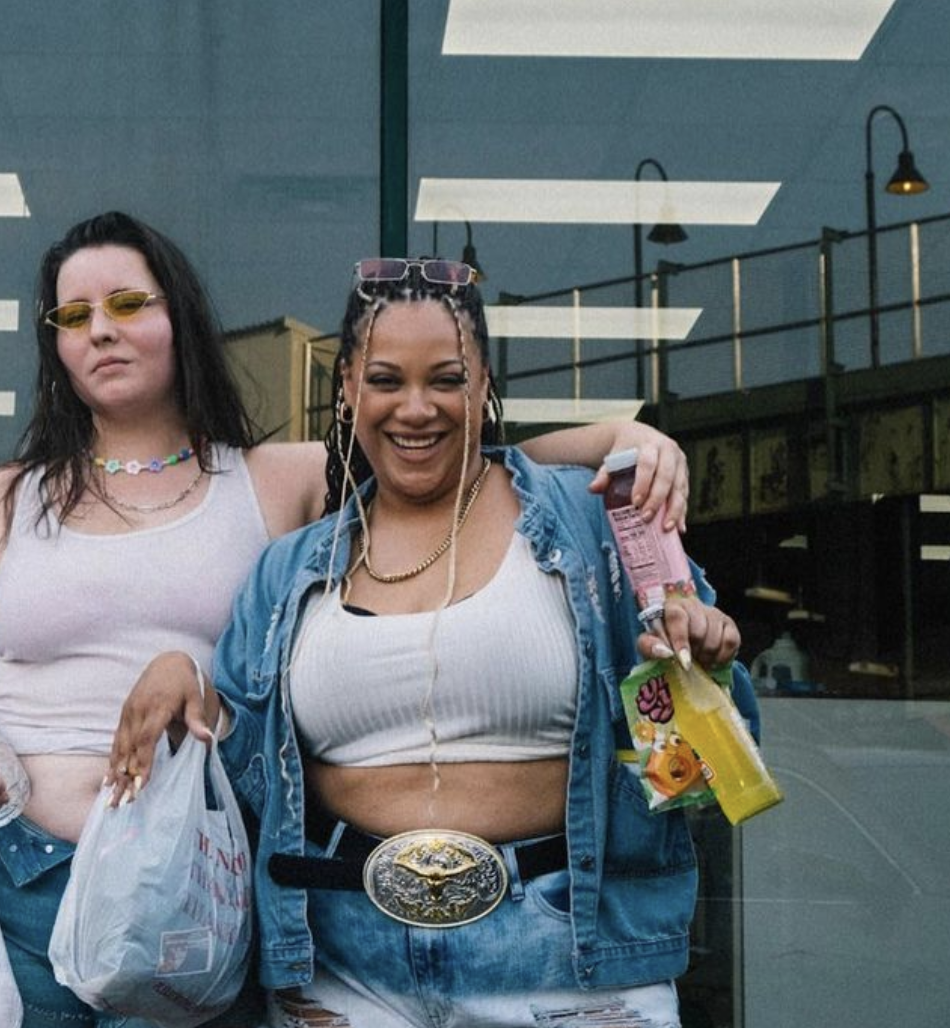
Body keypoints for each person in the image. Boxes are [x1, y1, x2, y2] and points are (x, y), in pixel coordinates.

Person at [0, 216, 695, 1028]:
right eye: (74, 316)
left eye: (128, 304)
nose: (100, 330)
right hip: (16, 878)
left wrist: (614, 438)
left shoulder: (276, 480)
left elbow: (442, 464)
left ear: (180, 317)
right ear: (55, 344)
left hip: (193, 904)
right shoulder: (0, 500)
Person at [113, 256, 749, 1028]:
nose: (415, 408)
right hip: (344, 972)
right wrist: (187, 679)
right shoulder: (289, 573)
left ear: (483, 385)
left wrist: (700, 673)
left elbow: (700, 782)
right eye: (386, 380)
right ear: (346, 387)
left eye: (445, 379)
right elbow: (246, 792)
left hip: (572, 965)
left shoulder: (594, 532)